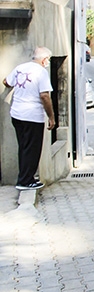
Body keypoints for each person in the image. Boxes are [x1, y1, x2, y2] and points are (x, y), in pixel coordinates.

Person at [2, 47, 56, 190]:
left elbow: (6, 82)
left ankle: (24, 178)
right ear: (44, 60)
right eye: (48, 60)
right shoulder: (41, 72)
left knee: (24, 147)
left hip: (17, 114)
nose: (48, 62)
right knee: (32, 149)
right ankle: (26, 181)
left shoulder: (20, 68)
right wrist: (51, 117)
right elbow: (44, 96)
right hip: (32, 115)